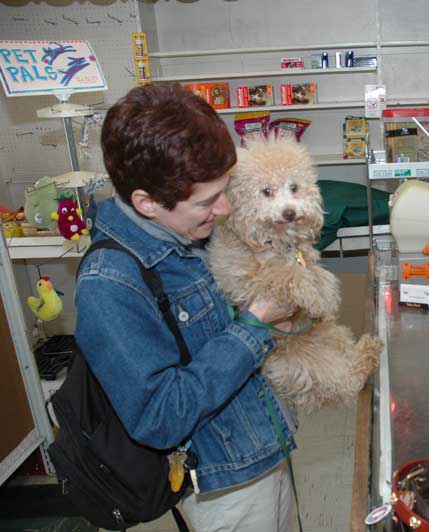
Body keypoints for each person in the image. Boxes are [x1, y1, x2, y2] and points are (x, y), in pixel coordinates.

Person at [74, 83, 298, 532]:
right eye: (206, 200)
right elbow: (159, 415)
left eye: (225, 189)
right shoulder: (109, 284)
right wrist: (254, 327)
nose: (225, 207)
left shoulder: (188, 235)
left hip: (259, 449)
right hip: (221, 488)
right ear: (146, 202)